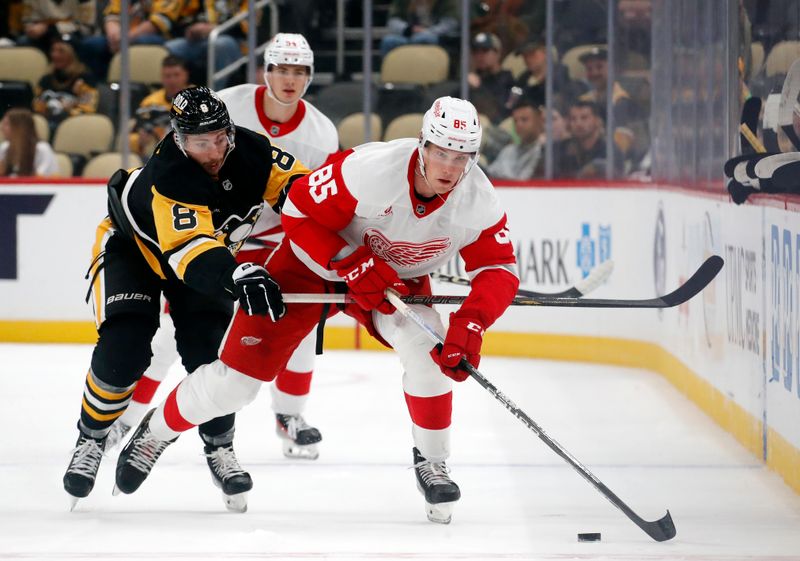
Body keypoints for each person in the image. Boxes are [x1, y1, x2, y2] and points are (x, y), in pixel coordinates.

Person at [113, 96, 520, 525]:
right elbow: (298, 209)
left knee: (429, 350)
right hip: (310, 266)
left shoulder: (480, 200)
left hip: (391, 282)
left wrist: (471, 324)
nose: (450, 169)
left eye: (462, 157)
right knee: (237, 385)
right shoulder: (370, 169)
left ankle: (433, 462)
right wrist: (348, 258)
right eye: (441, 153)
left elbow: (498, 269)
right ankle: (154, 434)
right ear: (423, 144)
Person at [62, 86, 308, 513]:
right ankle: (91, 435)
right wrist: (237, 273)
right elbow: (188, 249)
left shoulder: (253, 151)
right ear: (179, 139)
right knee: (125, 349)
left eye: (219, 137)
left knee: (214, 359)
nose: (214, 151)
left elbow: (304, 194)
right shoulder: (170, 173)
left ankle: (219, 446)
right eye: (200, 142)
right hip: (135, 251)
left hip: (202, 257)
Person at [107, 33, 338, 461]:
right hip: (216, 240)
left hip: (275, 245)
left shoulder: (322, 131)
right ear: (264, 71)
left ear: (310, 76)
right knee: (169, 338)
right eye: (281, 69)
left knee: (300, 330)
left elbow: (315, 201)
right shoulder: (228, 101)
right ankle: (127, 415)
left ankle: (289, 416)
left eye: (300, 71)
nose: (290, 79)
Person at [164, 1, 246, 90]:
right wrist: (190, 29)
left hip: (230, 37)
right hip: (199, 39)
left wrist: (214, 28)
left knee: (219, 45)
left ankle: (216, 95)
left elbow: (246, 24)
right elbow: (184, 18)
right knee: (171, 47)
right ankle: (173, 95)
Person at [128, 55, 192, 163]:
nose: (172, 80)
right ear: (161, 78)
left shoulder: (199, 98)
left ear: (186, 75)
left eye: (176, 75)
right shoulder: (150, 103)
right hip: (156, 157)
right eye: (167, 76)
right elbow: (133, 135)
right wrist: (139, 141)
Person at [577, 46, 638, 157]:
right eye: (589, 69)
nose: (594, 73)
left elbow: (621, 146)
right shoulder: (583, 100)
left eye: (600, 67)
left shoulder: (622, 101)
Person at [32, 36, 98, 134]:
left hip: (73, 127)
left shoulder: (85, 79)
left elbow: (88, 109)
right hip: (46, 123)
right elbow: (36, 106)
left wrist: (69, 110)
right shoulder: (46, 79)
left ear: (73, 55)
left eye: (61, 51)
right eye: (53, 50)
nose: (54, 55)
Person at [555, 99, 623, 178]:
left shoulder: (610, 151)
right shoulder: (560, 149)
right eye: (573, 119)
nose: (578, 124)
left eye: (584, 118)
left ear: (597, 121)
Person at [486, 99, 544, 180]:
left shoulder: (543, 153)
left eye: (524, 119)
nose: (519, 124)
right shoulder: (508, 151)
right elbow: (490, 175)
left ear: (539, 120)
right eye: (515, 121)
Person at [468, 32, 516, 124]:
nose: (479, 56)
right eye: (476, 51)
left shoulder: (508, 81)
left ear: (498, 53)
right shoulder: (473, 78)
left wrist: (479, 88)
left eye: (485, 50)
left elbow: (500, 115)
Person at [380, 0, 458, 56]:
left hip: (436, 36)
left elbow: (450, 22)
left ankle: (420, 75)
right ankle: (391, 76)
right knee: (388, 41)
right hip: (409, 34)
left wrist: (427, 31)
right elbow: (393, 19)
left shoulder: (446, 2)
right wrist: (408, 29)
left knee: (423, 39)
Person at [0, 107, 58, 176]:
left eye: (7, 124)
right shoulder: (5, 147)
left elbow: (43, 180)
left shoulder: (42, 149)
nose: (2, 128)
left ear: (21, 128)